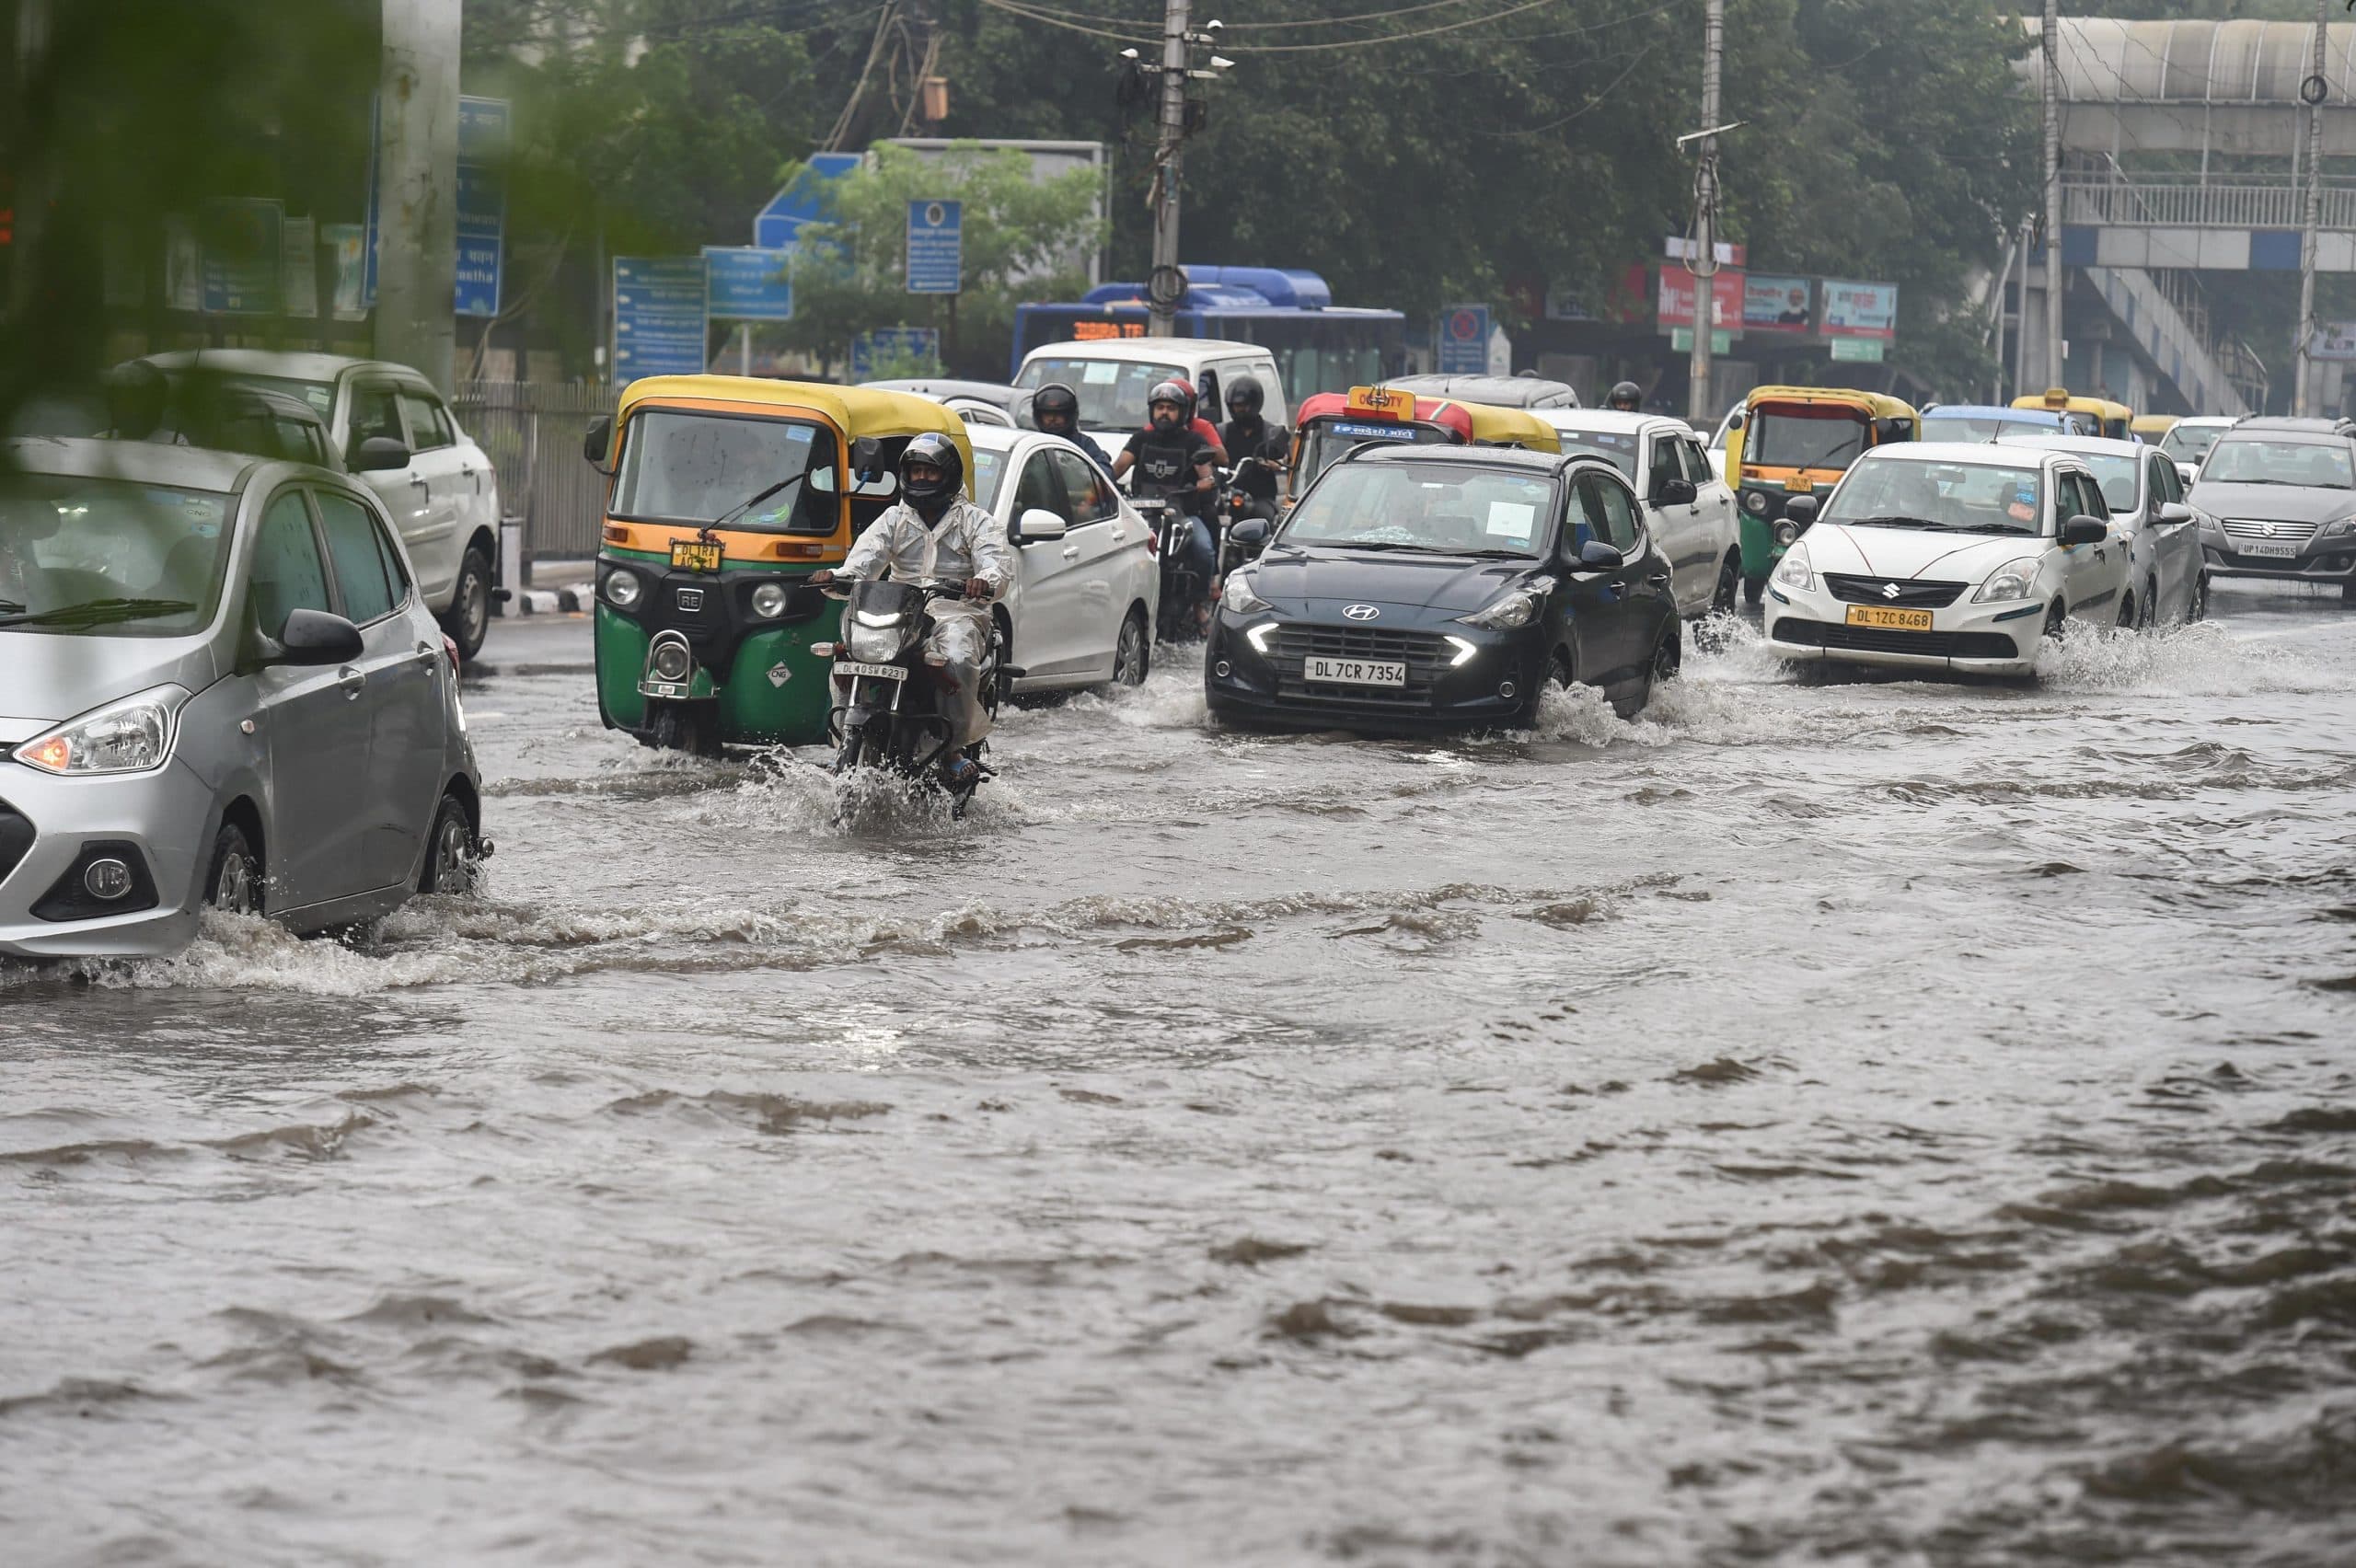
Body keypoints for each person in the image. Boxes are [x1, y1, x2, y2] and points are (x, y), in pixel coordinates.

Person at [811, 432, 1011, 789]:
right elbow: (863, 563)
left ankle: (953, 751)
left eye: (930, 472)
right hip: (901, 611)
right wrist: (836, 577)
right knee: (846, 656)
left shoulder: (976, 521)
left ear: (948, 475)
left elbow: (997, 566)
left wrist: (983, 580)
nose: (921, 478)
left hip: (956, 610)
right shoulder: (893, 519)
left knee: (958, 658)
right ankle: (844, 745)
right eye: (915, 470)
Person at [1112, 381, 1219, 620]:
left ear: (1182, 412)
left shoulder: (1193, 441)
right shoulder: (1141, 438)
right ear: (1152, 410)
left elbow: (1208, 476)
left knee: (1204, 550)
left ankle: (1199, 604)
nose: (1164, 413)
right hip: (1143, 514)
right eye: (1159, 407)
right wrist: (1101, 481)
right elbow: (1118, 468)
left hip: (1182, 513)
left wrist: (1204, 484)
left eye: (1171, 408)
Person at [1219, 375, 1286, 523]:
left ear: (1255, 404)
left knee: (1264, 518)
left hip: (1260, 496)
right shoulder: (1222, 432)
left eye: (1244, 405)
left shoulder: (1270, 432)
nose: (1240, 409)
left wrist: (1275, 464)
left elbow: (1285, 459)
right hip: (1228, 495)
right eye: (1236, 405)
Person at [1030, 382, 1114, 478]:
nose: (1052, 419)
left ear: (1069, 415)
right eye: (1047, 414)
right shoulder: (1032, 444)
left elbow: (1105, 474)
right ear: (1039, 416)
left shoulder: (1084, 444)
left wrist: (1077, 469)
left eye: (1058, 414)